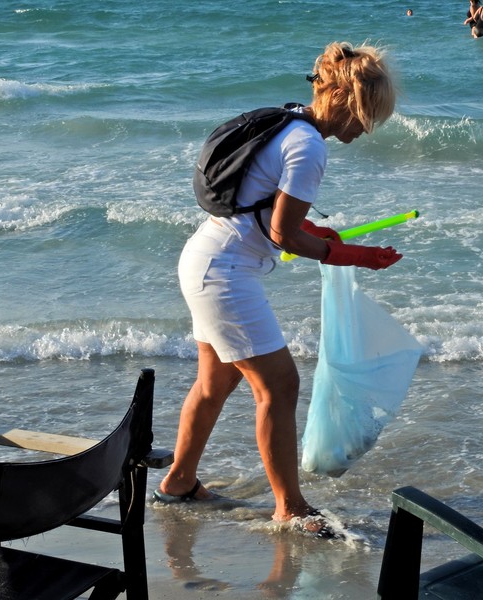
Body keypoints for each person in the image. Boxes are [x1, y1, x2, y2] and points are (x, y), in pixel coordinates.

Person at [155, 41, 401, 536]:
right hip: (225, 274)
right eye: (367, 116)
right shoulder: (309, 147)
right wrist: (357, 256)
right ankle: (289, 506)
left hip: (206, 259)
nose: (365, 129)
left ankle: (178, 481)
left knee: (216, 382)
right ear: (347, 102)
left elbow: (272, 217)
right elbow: (284, 235)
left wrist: (326, 240)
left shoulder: (291, 125)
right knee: (279, 385)